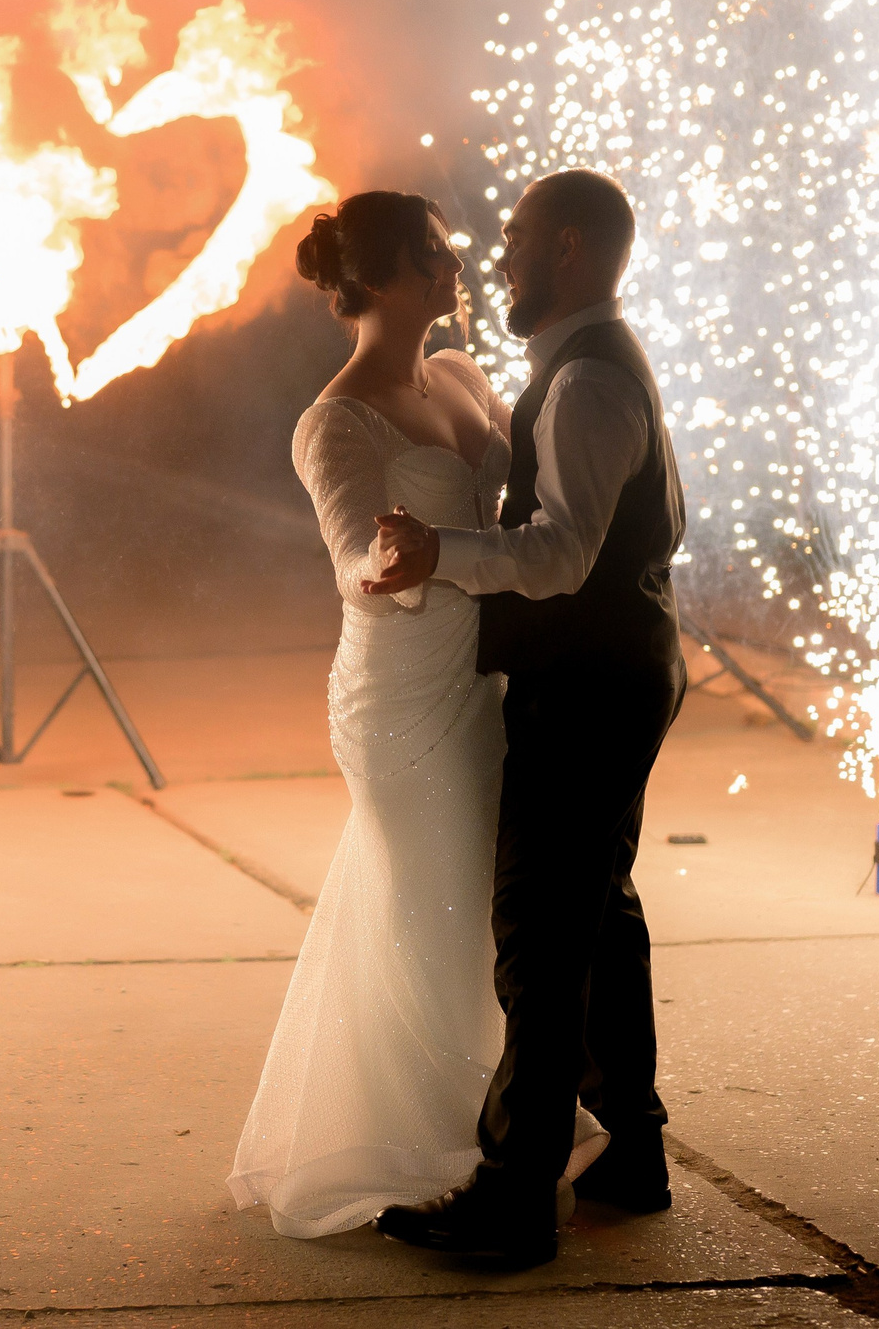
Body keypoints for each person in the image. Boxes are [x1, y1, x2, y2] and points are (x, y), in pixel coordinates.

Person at [226, 189, 607, 1239]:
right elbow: (351, 553)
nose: (457, 266)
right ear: (386, 276)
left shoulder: (460, 374)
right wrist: (383, 566)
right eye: (433, 254)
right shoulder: (333, 418)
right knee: (437, 911)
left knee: (484, 910)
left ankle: (487, 1146)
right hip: (398, 689)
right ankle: (442, 1154)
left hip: (483, 679)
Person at [367, 167, 689, 1269]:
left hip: (592, 682)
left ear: (564, 248)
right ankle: (634, 1153)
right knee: (598, 917)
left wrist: (436, 553)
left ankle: (512, 1199)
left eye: (510, 239)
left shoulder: (589, 380)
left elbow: (558, 556)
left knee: (540, 938)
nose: (492, 258)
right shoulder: (579, 369)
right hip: (616, 671)